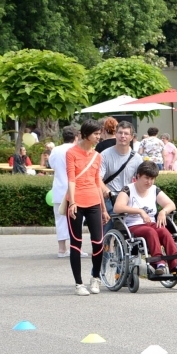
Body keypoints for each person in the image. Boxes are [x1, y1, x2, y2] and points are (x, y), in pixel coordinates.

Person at [112, 161, 177, 277]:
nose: (149, 182)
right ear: (138, 176)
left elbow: (171, 204)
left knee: (165, 232)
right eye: (146, 178)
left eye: (152, 179)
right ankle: (158, 263)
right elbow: (117, 207)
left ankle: (176, 264)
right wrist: (140, 211)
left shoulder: (154, 189)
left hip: (151, 224)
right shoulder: (128, 189)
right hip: (133, 225)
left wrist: (163, 211)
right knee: (150, 231)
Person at [64, 119, 109, 296]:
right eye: (96, 134)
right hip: (76, 202)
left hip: (94, 202)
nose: (99, 137)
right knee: (76, 243)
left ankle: (95, 278)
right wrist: (72, 202)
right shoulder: (71, 153)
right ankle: (78, 283)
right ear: (85, 134)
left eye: (100, 133)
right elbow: (71, 178)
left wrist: (104, 209)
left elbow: (98, 182)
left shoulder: (97, 156)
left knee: (98, 242)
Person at [100, 121, 143, 230]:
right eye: (120, 133)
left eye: (126, 133)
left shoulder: (137, 158)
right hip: (109, 198)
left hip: (127, 198)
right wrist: (106, 191)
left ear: (131, 137)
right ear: (115, 135)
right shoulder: (104, 155)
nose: (122, 136)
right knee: (108, 229)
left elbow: (141, 180)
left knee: (129, 231)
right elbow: (97, 178)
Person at [49, 126, 84, 258]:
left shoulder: (55, 150)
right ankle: (76, 248)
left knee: (60, 219)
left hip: (58, 188)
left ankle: (61, 249)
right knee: (77, 220)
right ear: (76, 137)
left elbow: (52, 166)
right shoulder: (77, 150)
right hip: (75, 189)